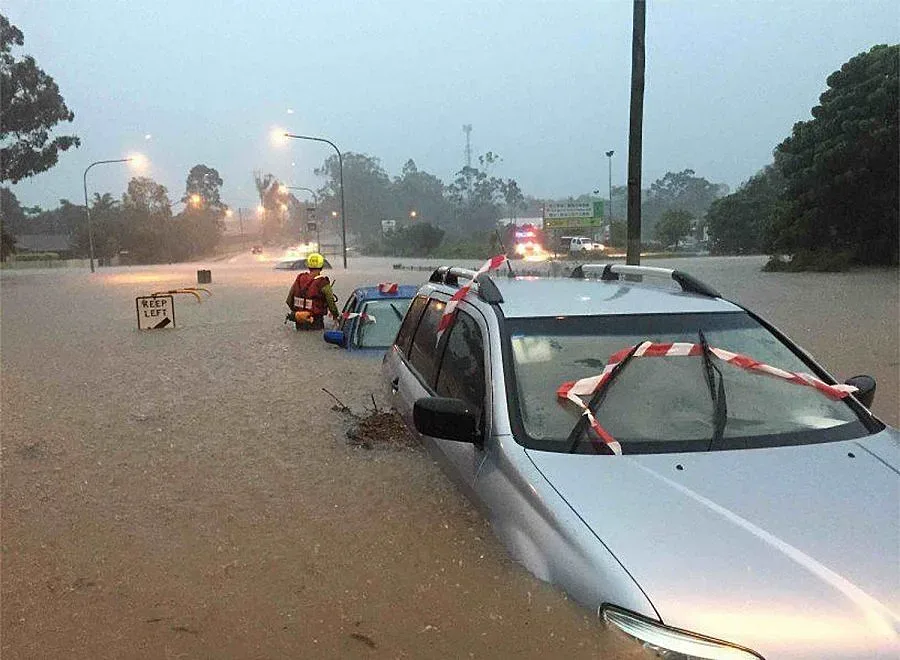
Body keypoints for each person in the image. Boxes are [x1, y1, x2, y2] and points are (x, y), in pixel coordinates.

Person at [285, 253, 339, 330]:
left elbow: (289, 300)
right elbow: (331, 303)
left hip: (299, 321)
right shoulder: (323, 282)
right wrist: (336, 316)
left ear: (308, 266)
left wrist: (299, 314)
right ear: (321, 267)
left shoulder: (300, 278)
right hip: (315, 321)